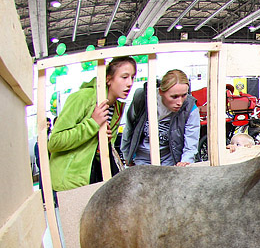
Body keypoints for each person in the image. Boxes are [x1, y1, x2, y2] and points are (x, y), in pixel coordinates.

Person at [47, 56, 137, 190]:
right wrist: (92, 124)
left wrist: (104, 146)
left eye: (132, 77)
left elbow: (99, 150)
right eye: (124, 77)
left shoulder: (117, 108)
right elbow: (54, 142)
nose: (130, 83)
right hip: (71, 183)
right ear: (108, 79)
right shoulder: (83, 97)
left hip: (97, 180)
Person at [121, 69, 200, 167]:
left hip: (170, 159)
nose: (180, 102)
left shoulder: (190, 108)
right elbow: (129, 128)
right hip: (142, 159)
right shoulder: (143, 99)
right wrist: (127, 155)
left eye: (184, 95)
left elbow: (191, 142)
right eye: (174, 97)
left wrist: (185, 161)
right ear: (161, 92)